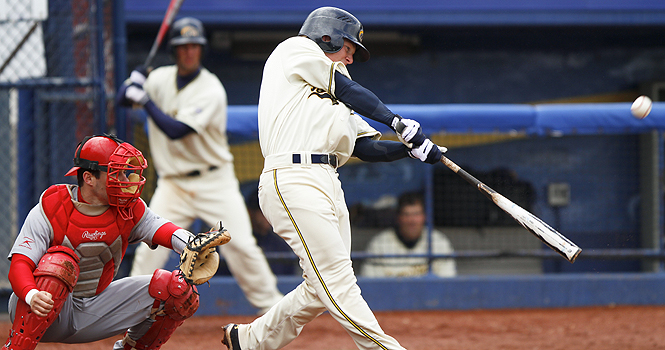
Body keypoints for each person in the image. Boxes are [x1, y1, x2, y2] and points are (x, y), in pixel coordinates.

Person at [222, 7, 445, 350]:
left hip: (328, 180)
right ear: (327, 36)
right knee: (339, 283)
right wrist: (396, 121)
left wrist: (412, 151)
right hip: (292, 177)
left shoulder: (337, 98)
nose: (350, 58)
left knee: (320, 286)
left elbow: (365, 146)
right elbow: (346, 88)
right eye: (348, 48)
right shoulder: (295, 50)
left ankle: (250, 340)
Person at [117, 16, 283, 314]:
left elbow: (177, 130)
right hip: (173, 184)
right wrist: (135, 80)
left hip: (213, 181)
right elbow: (122, 100)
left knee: (241, 246)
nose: (189, 52)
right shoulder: (159, 79)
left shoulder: (211, 88)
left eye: (194, 46)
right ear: (174, 51)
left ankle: (272, 309)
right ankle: (130, 309)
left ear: (202, 50)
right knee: (149, 251)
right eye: (183, 47)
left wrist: (144, 99)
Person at [3, 134, 220, 350]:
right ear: (89, 178)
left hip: (93, 308)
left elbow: (162, 229)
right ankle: (18, 347)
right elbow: (19, 264)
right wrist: (32, 294)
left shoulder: (128, 208)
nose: (125, 181)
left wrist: (192, 243)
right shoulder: (53, 205)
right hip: (39, 308)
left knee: (178, 291)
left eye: (125, 174)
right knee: (60, 261)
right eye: (116, 174)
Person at [361, 192, 456, 278]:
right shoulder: (379, 244)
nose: (412, 221)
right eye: (406, 214)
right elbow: (371, 285)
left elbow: (448, 284)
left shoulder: (439, 242)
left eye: (416, 214)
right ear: (398, 218)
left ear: (424, 217)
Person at [246, 190, 297, 276]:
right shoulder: (242, 240)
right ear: (250, 212)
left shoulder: (280, 244)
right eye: (262, 212)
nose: (267, 216)